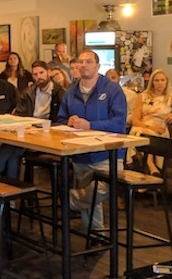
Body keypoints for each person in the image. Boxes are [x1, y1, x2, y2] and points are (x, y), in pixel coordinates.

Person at [57, 50, 127, 231]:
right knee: (89, 195)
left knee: (108, 185)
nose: (84, 65)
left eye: (89, 61)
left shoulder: (112, 90)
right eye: (81, 62)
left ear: (97, 66)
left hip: (108, 153)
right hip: (80, 153)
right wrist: (68, 122)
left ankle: (72, 201)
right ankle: (96, 234)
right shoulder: (71, 92)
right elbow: (60, 119)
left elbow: (119, 123)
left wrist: (90, 125)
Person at [127, 69, 172, 175]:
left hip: (159, 128)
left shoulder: (170, 98)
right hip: (142, 126)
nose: (160, 83)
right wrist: (150, 128)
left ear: (166, 82)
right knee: (142, 133)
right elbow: (135, 120)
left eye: (162, 80)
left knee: (152, 135)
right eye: (156, 80)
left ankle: (147, 172)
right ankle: (151, 164)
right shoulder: (142, 97)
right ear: (151, 82)